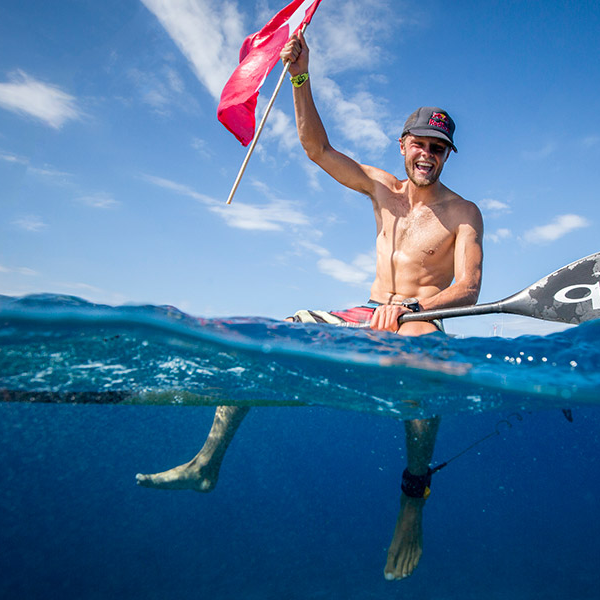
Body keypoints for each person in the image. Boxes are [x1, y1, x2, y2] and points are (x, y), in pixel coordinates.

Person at [136, 30, 484, 581]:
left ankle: (411, 507)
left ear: (447, 156)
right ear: (403, 143)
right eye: (420, 143)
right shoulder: (380, 189)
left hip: (422, 322)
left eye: (438, 148)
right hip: (367, 314)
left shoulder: (464, 213)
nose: (428, 155)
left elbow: (468, 289)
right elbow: (316, 148)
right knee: (271, 339)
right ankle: (206, 464)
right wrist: (300, 74)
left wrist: (417, 308)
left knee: (425, 382)